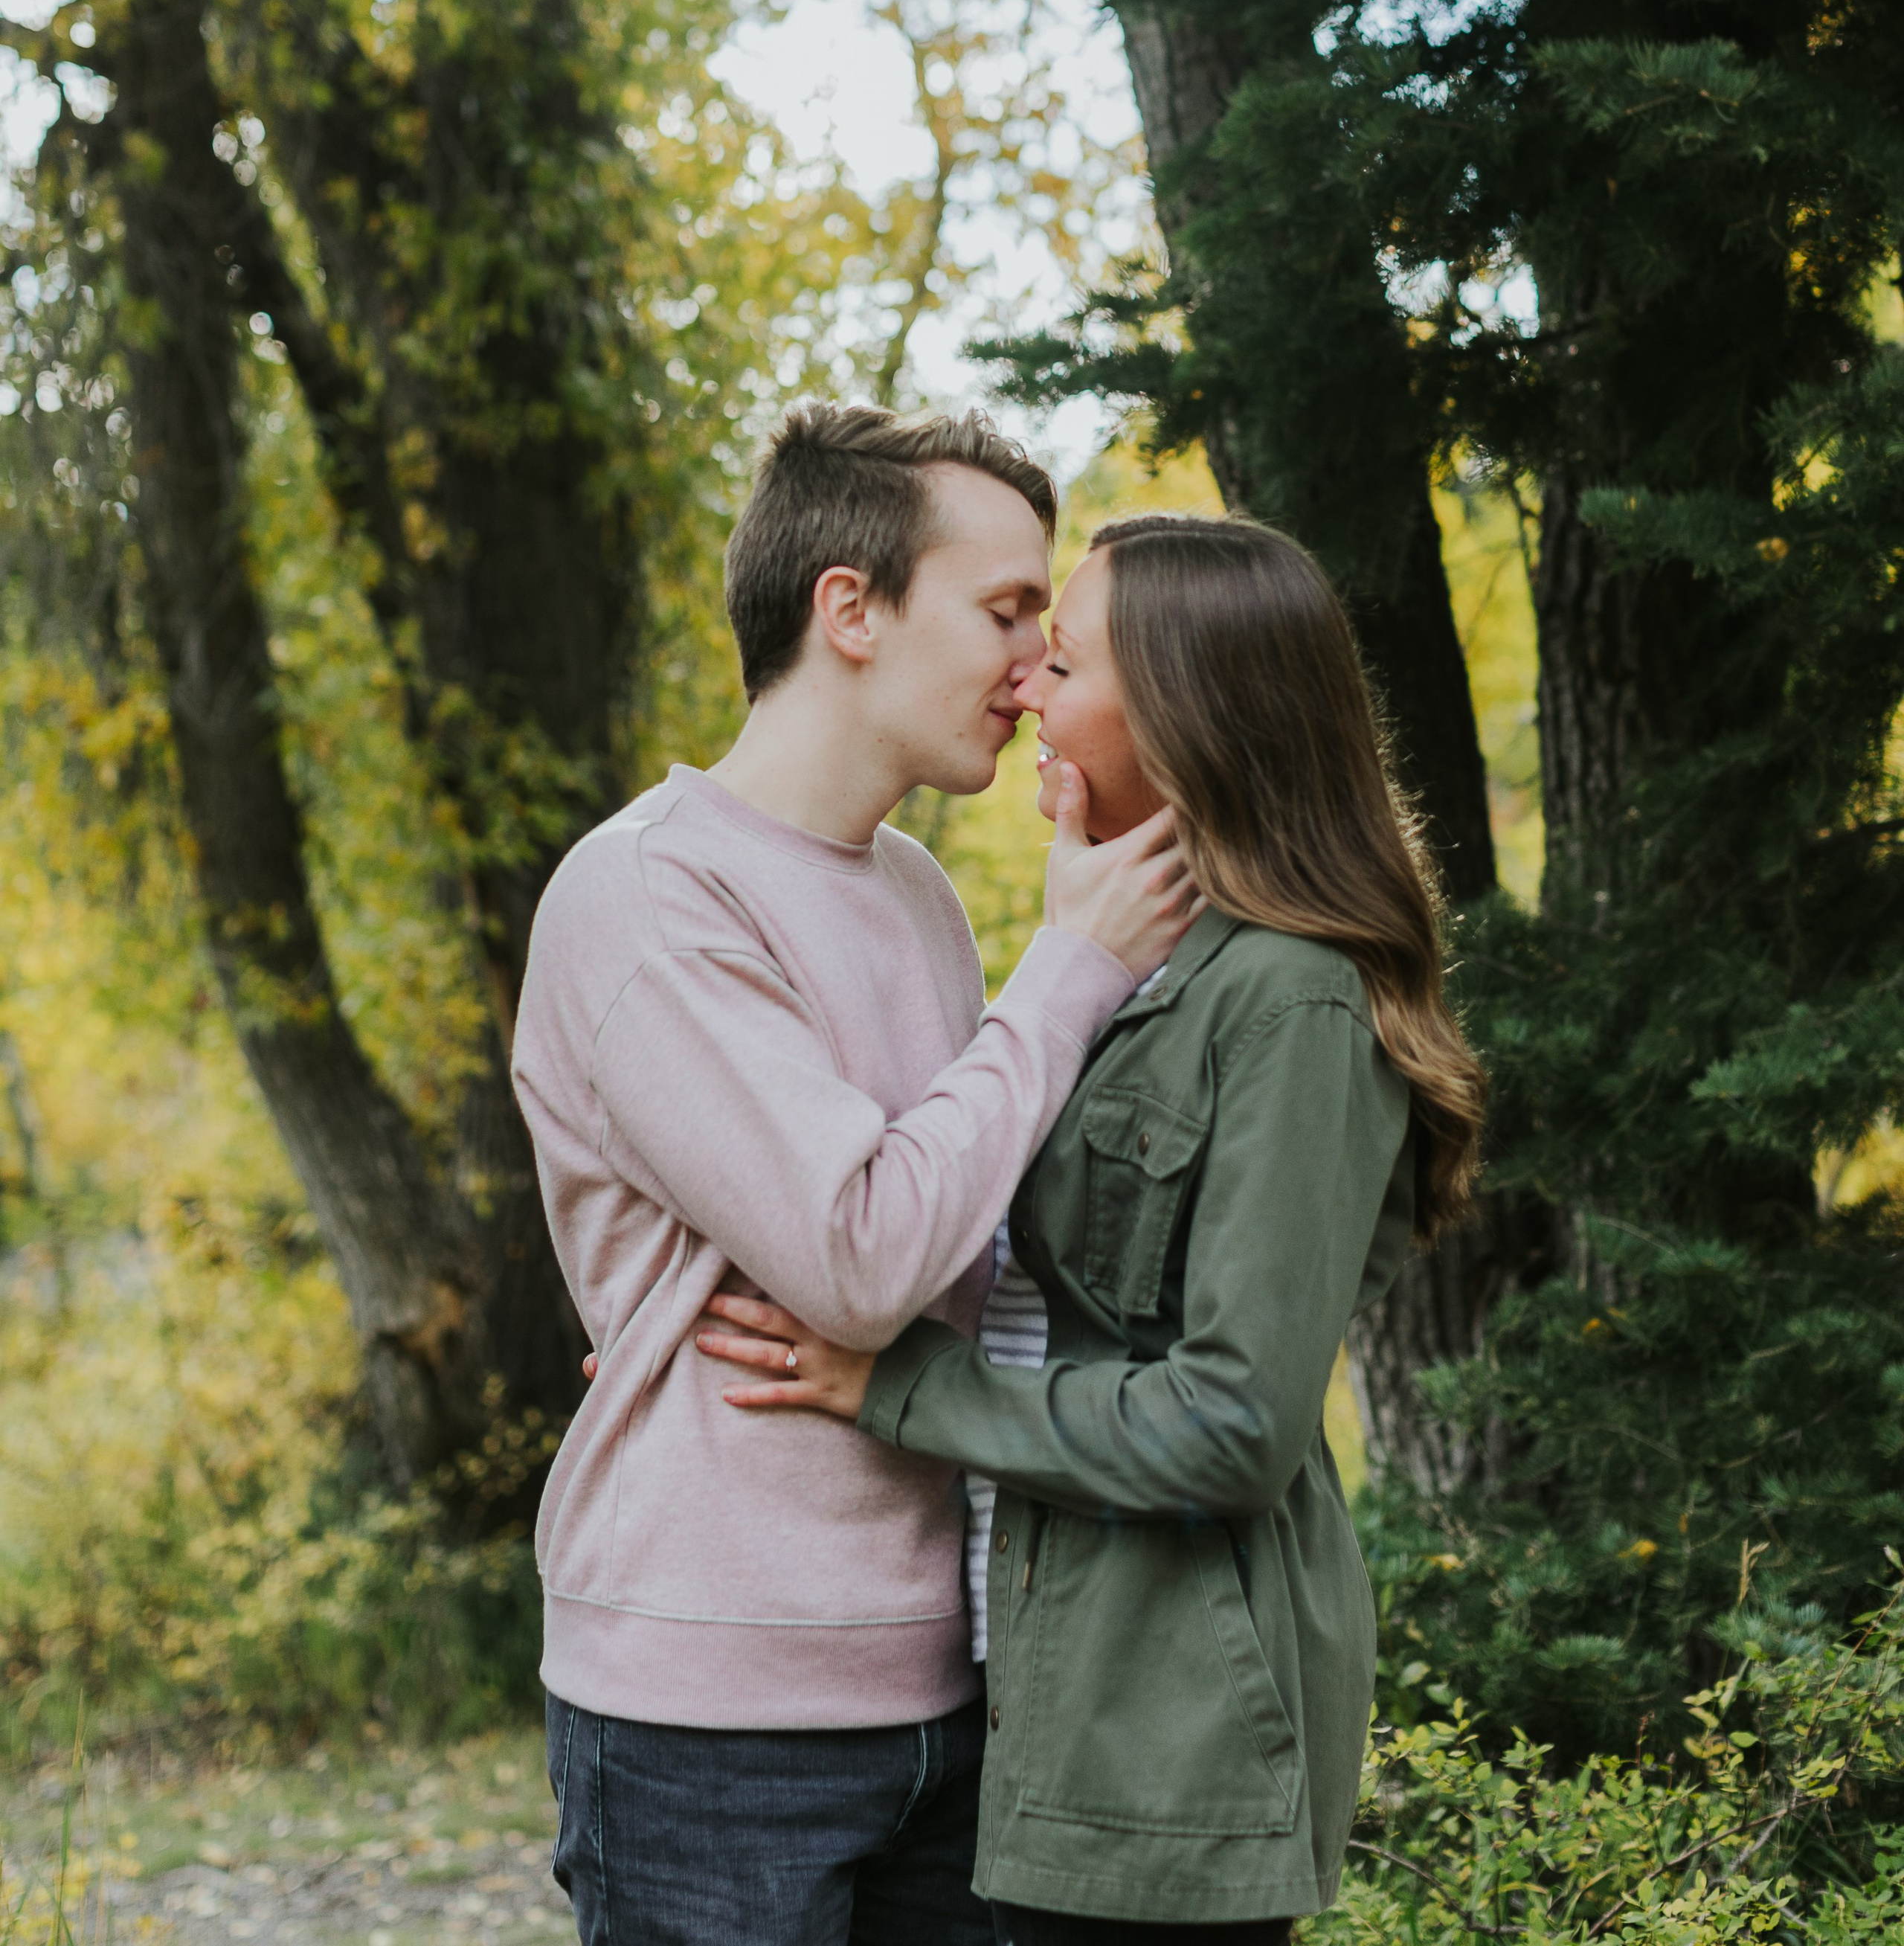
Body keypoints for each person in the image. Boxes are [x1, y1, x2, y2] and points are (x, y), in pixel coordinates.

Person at [697, 510, 1490, 1945]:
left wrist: (900, 1386)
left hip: (1168, 1725)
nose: (1023, 686)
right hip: (1035, 1693)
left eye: (1061, 661)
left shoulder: (1294, 1000)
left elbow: (1234, 1423)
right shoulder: (1120, 965)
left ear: (1188, 714)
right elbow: (1000, 1260)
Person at [512, 404, 1199, 1946]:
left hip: (946, 1685)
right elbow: (864, 1253)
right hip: (707, 1716)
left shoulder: (919, 896)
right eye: (1004, 609)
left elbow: (952, 1225)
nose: (1034, 667)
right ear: (851, 608)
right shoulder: (646, 892)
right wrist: (1073, 964)